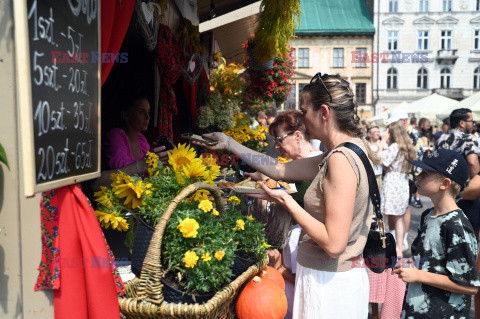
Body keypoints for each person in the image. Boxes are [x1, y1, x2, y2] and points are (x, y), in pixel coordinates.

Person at [198, 73, 377, 318]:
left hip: (329, 285)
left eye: (304, 111)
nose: (302, 120)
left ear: (324, 112)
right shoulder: (350, 149)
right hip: (335, 280)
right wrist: (230, 144)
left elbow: (334, 244)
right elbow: (281, 169)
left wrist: (286, 202)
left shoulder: (340, 159)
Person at [394, 149, 480, 318]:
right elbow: (429, 260)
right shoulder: (428, 215)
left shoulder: (457, 225)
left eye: (425, 173)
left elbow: (470, 286)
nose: (418, 176)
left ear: (445, 183)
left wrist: (418, 275)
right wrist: (410, 265)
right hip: (418, 308)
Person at [257, 110, 321, 319]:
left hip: (305, 243)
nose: (276, 145)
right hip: (294, 241)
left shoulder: (315, 163)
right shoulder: (298, 162)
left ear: (297, 136)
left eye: (279, 139)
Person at [90, 92, 169, 191]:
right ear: (126, 115)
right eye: (141, 112)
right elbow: (121, 174)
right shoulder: (115, 136)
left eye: (148, 112)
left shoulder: (142, 140)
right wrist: (143, 164)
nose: (147, 117)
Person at [378, 121, 417, 258]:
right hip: (402, 181)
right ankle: (399, 249)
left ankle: (381, 245)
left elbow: (378, 158)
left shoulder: (394, 146)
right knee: (399, 217)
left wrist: (382, 142)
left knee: (382, 215)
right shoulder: (407, 146)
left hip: (392, 182)